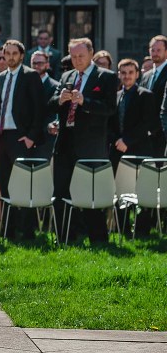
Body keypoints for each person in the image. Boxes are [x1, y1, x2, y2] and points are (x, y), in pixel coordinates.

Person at [49, 37, 117, 243]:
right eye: (74, 56)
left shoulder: (106, 77)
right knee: (61, 192)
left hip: (90, 145)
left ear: (90, 53)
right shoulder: (66, 76)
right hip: (65, 142)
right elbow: (51, 104)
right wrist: (59, 100)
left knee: (90, 193)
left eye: (81, 56)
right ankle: (64, 238)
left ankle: (98, 239)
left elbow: (109, 109)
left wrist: (84, 101)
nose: (77, 60)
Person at [0, 40, 45, 239]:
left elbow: (39, 109)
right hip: (1, 136)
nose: (10, 57)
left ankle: (28, 231)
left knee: (23, 184)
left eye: (15, 53)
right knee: (4, 186)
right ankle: (8, 230)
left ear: (21, 55)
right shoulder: (1, 77)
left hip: (20, 137)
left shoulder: (30, 76)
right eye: (7, 53)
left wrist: (31, 137)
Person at [110, 59, 155, 172]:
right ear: (119, 74)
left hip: (139, 150)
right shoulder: (115, 96)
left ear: (137, 74)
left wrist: (127, 140)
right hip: (117, 151)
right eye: (123, 73)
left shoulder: (145, 95)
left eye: (131, 72)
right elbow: (111, 123)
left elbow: (147, 122)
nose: (127, 76)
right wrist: (117, 141)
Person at [31, 50, 60, 160]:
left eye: (40, 63)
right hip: (26, 140)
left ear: (47, 65)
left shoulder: (55, 86)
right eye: (34, 63)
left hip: (45, 139)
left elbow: (53, 113)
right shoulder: (24, 84)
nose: (37, 66)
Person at [143, 35, 167, 156]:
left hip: (163, 133)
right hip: (146, 135)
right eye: (152, 50)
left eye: (159, 50)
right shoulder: (146, 76)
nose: (155, 53)